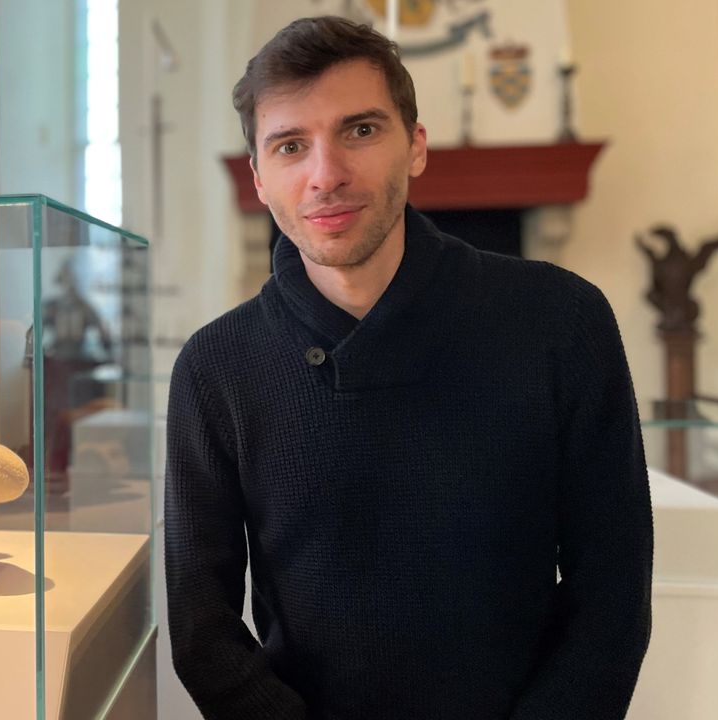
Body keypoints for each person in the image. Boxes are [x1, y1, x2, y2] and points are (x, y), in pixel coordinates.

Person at [164, 16, 652, 720]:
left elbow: (613, 595)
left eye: (360, 130)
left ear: (415, 146)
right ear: (261, 179)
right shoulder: (216, 368)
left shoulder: (562, 321)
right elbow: (202, 628)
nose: (326, 174)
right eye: (291, 145)